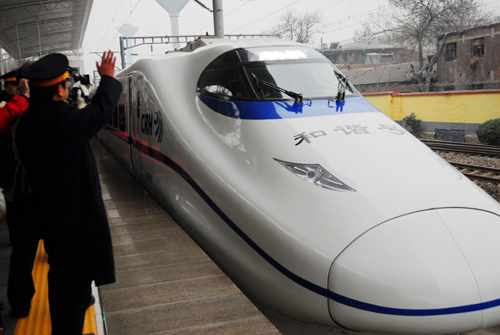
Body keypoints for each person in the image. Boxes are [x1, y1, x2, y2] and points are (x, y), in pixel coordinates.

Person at [15, 51, 122, 335]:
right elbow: (101, 111)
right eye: (64, 84)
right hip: (74, 220)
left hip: (51, 214)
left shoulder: (27, 123)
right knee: (71, 285)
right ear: (59, 91)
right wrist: (108, 78)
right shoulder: (61, 121)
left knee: (65, 278)